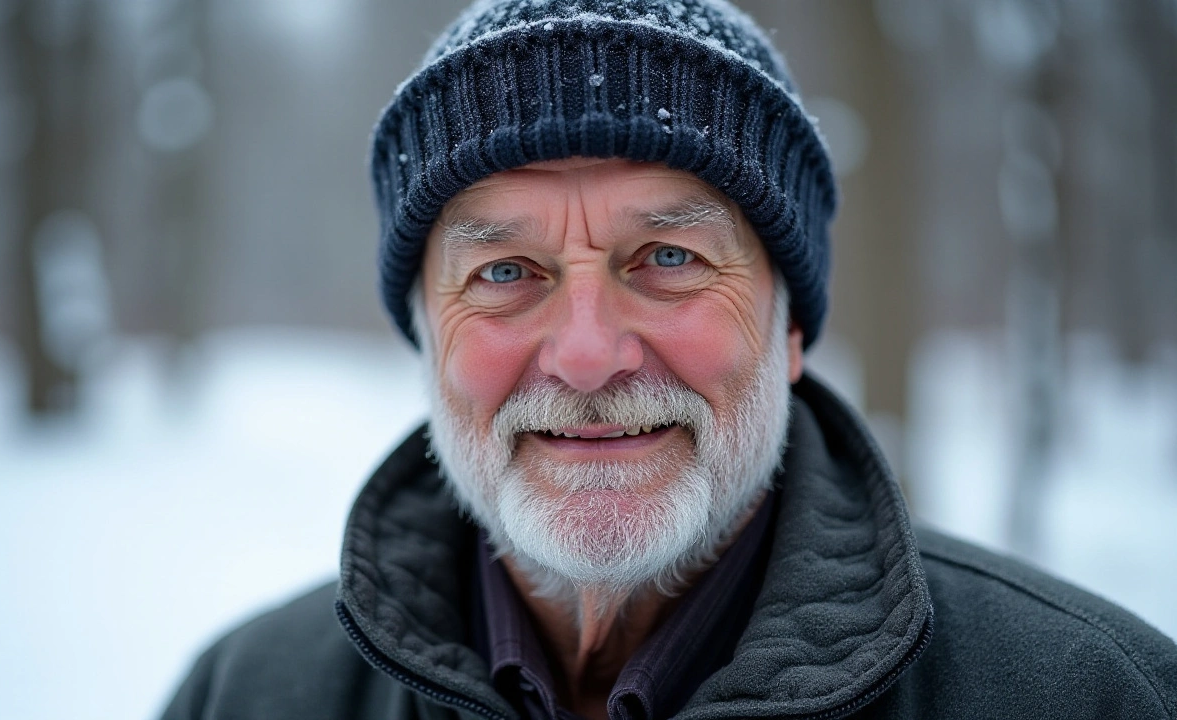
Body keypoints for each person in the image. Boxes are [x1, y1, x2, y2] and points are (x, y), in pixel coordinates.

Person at [159, 1, 1177, 718]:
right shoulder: (247, 695)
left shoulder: (1089, 694)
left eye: (669, 258)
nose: (590, 355)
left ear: (787, 328)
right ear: (427, 337)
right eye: (507, 272)